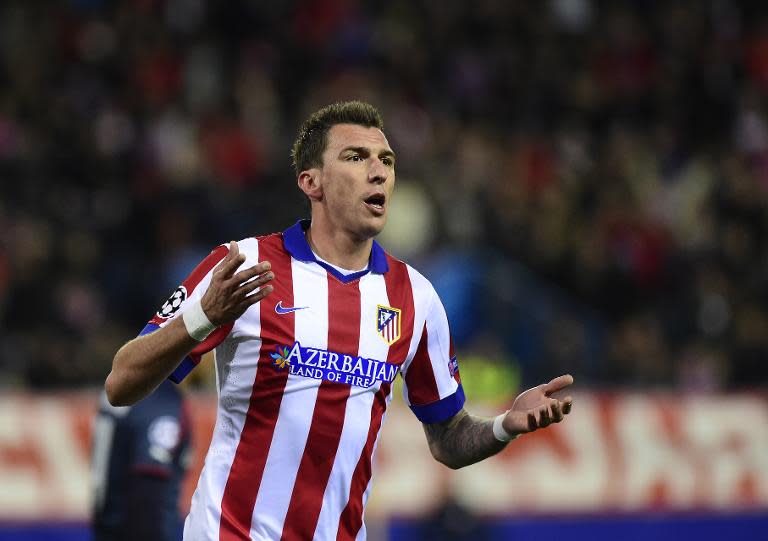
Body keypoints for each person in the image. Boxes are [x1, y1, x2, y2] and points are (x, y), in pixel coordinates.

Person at [105, 101, 574, 541]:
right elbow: (121, 382)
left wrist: (503, 427)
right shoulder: (241, 265)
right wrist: (204, 318)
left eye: (386, 161)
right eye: (356, 156)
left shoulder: (415, 297)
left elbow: (448, 438)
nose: (378, 171)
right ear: (312, 182)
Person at [91, 379, 191, 541]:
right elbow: (148, 493)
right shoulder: (159, 400)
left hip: (108, 528)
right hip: (134, 531)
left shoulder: (124, 385)